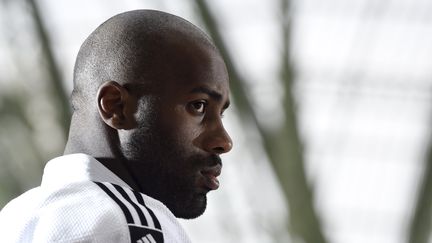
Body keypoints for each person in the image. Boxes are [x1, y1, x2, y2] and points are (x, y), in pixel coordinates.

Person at [0, 9, 232, 243]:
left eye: (220, 114)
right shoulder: (128, 224)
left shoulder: (15, 219)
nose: (224, 141)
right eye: (198, 106)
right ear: (116, 106)